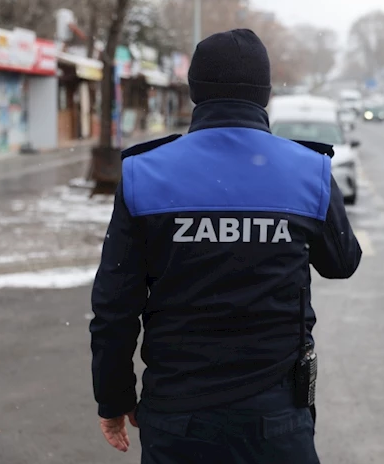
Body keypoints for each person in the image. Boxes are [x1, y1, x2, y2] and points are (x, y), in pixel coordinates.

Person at [89, 28, 362, 464]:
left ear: (195, 90)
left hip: (177, 414)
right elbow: (342, 262)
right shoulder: (308, 171)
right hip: (276, 417)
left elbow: (114, 307)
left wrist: (113, 398)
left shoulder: (146, 173)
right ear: (266, 93)